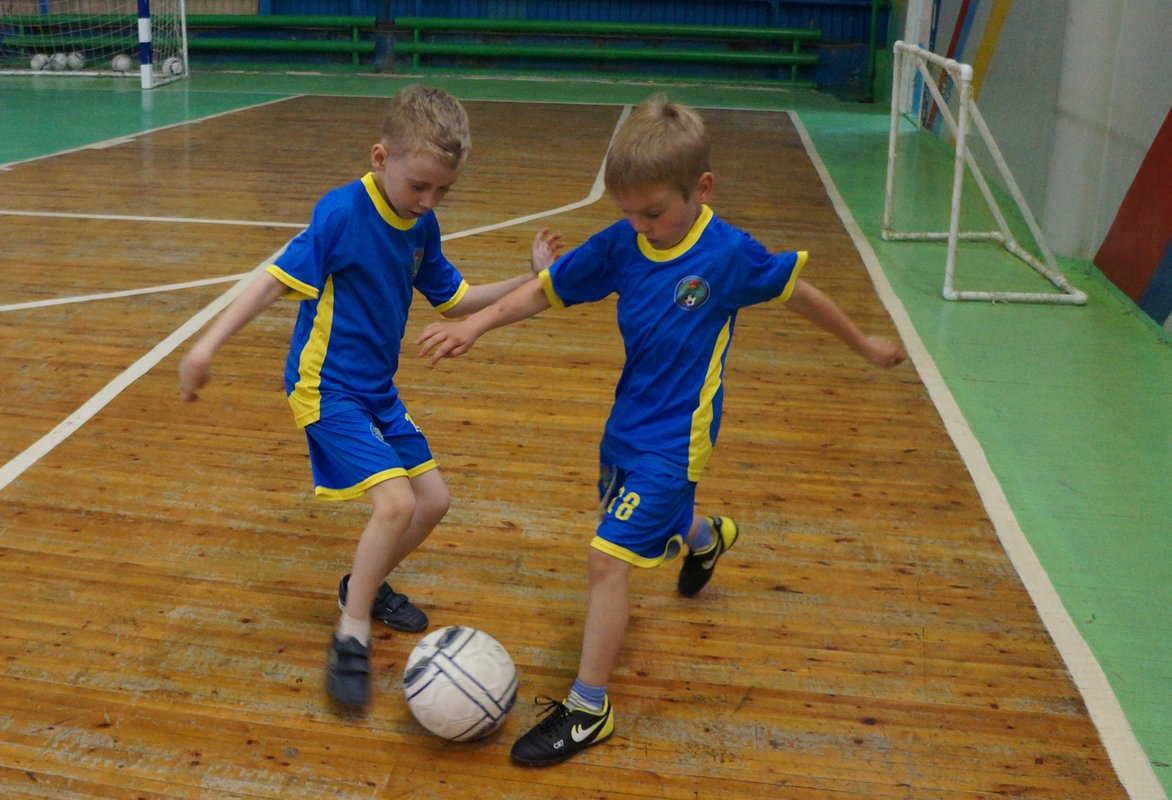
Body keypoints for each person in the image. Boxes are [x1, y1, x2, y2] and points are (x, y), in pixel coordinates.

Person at [415, 95, 907, 766]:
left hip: (677, 442)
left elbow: (800, 294)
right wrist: (472, 325)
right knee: (658, 524)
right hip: (627, 429)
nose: (641, 225)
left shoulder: (729, 255)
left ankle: (590, 710)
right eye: (628, 213)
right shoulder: (624, 244)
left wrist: (865, 343)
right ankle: (707, 538)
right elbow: (544, 290)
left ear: (700, 189)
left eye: (654, 212)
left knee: (605, 560)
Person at [178, 85, 563, 711]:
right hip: (325, 388)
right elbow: (271, 281)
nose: (428, 201)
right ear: (381, 157)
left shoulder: (421, 223)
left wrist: (536, 277)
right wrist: (204, 347)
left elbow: (457, 298)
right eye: (420, 186)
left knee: (433, 501)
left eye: (442, 192)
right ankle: (350, 633)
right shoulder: (341, 213)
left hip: (377, 392)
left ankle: (363, 582)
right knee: (394, 503)